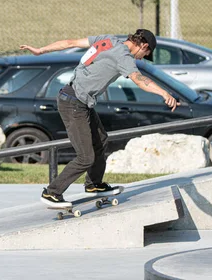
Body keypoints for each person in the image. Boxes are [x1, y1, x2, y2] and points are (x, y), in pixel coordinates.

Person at [19, 29, 180, 208]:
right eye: (145, 54)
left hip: (77, 99)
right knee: (85, 157)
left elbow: (70, 42)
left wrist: (41, 50)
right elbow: (139, 79)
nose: (141, 58)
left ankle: (94, 184)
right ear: (143, 45)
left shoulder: (108, 39)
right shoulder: (123, 56)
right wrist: (164, 93)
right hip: (73, 103)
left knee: (101, 140)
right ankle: (52, 192)